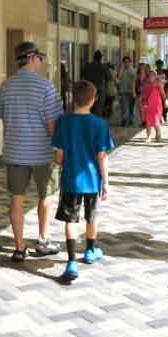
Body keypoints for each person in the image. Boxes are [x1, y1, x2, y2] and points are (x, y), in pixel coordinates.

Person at [0, 42, 63, 262]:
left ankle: (19, 247)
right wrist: (60, 150)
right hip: (43, 153)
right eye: (39, 58)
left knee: (16, 199)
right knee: (46, 196)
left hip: (14, 152)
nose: (41, 62)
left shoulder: (5, 86)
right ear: (32, 57)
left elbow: (5, 119)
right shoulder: (46, 87)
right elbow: (53, 126)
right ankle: (43, 241)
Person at [52, 80, 115, 281]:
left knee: (70, 220)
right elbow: (102, 156)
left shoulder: (63, 122)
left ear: (73, 99)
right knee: (92, 216)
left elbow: (59, 154)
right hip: (92, 181)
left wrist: (61, 165)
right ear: (94, 99)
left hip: (70, 179)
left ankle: (71, 262)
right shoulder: (100, 124)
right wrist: (106, 183)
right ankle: (89, 250)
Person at [81, 50, 110, 117]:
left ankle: (89, 120)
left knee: (89, 106)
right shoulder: (103, 67)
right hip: (100, 90)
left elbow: (83, 76)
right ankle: (97, 121)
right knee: (99, 107)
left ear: (94, 58)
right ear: (100, 58)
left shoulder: (88, 66)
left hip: (89, 88)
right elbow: (108, 78)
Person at [141, 69, 166, 142]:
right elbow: (143, 94)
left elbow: (163, 93)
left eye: (152, 75)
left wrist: (165, 100)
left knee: (155, 121)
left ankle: (158, 134)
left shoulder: (159, 84)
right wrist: (142, 102)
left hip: (156, 105)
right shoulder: (146, 84)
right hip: (148, 104)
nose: (151, 77)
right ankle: (148, 136)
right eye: (149, 75)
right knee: (148, 121)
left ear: (155, 76)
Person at [117, 56, 137, 127]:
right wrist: (121, 69)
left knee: (131, 107)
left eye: (128, 62)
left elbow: (134, 79)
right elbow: (118, 78)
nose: (126, 63)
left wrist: (134, 91)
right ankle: (124, 120)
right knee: (124, 107)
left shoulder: (133, 70)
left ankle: (131, 119)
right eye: (125, 62)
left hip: (131, 91)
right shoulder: (122, 70)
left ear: (130, 62)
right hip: (123, 91)